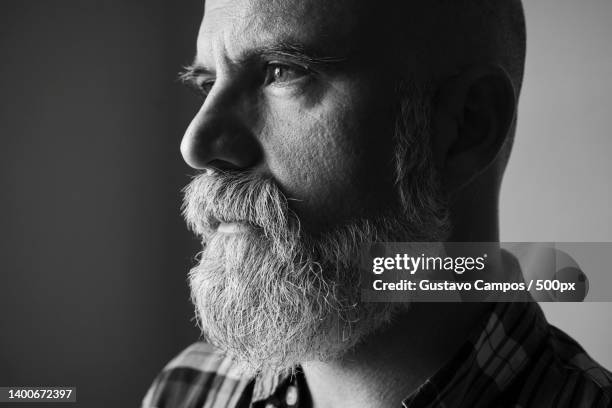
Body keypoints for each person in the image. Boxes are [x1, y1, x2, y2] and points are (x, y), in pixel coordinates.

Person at [143, 0, 612, 406]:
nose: (196, 144)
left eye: (281, 72)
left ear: (467, 125)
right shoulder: (186, 391)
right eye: (208, 84)